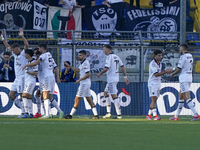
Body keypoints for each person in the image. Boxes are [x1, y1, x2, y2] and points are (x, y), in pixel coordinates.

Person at [23, 43, 61, 119]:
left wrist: (26, 65)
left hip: (46, 78)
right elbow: (55, 67)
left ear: (41, 48)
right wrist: (57, 76)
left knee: (45, 96)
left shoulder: (43, 56)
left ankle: (47, 114)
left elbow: (36, 63)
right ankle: (55, 112)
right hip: (49, 78)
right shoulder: (49, 55)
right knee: (46, 96)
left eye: (39, 48)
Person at [1, 28, 28, 118]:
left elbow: (26, 45)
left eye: (13, 50)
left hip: (22, 77)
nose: (12, 51)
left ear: (17, 48)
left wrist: (22, 36)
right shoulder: (15, 54)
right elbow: (7, 46)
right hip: (17, 79)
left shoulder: (23, 54)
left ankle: (25, 113)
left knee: (21, 94)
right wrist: (2, 38)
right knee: (11, 95)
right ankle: (23, 109)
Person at [63, 50, 99, 119]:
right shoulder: (82, 63)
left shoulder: (85, 63)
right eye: (78, 55)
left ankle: (70, 115)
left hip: (84, 84)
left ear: (84, 56)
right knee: (89, 99)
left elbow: (88, 74)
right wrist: (69, 66)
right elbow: (77, 70)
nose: (79, 57)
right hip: (85, 83)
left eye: (80, 55)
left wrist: (79, 80)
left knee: (77, 99)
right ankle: (96, 115)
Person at [97, 44, 130, 119]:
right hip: (115, 78)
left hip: (111, 79)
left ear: (108, 50)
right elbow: (123, 66)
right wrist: (125, 77)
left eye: (104, 49)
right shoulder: (116, 56)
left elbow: (106, 68)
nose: (103, 50)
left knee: (114, 96)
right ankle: (108, 113)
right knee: (105, 93)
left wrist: (100, 73)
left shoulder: (109, 57)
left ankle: (119, 115)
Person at [169, 43, 200, 121]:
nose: (180, 49)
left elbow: (179, 69)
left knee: (186, 97)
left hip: (184, 78)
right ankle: (176, 116)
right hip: (189, 77)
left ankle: (196, 114)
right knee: (181, 96)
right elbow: (183, 66)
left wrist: (172, 73)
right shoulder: (190, 55)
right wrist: (173, 69)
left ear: (182, 48)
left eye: (180, 48)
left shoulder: (183, 57)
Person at [146, 50, 173, 120]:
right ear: (155, 56)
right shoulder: (152, 64)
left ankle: (149, 115)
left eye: (161, 55)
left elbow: (160, 72)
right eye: (159, 55)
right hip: (152, 83)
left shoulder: (160, 63)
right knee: (154, 99)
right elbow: (156, 74)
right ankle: (155, 116)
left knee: (155, 100)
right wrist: (167, 71)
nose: (161, 57)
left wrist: (166, 71)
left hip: (158, 83)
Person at [21, 49, 38, 118]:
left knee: (24, 96)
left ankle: (26, 112)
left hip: (31, 81)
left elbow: (36, 73)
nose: (24, 55)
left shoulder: (33, 62)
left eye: (25, 54)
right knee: (28, 97)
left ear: (28, 54)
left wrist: (28, 72)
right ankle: (31, 113)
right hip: (27, 81)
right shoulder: (28, 62)